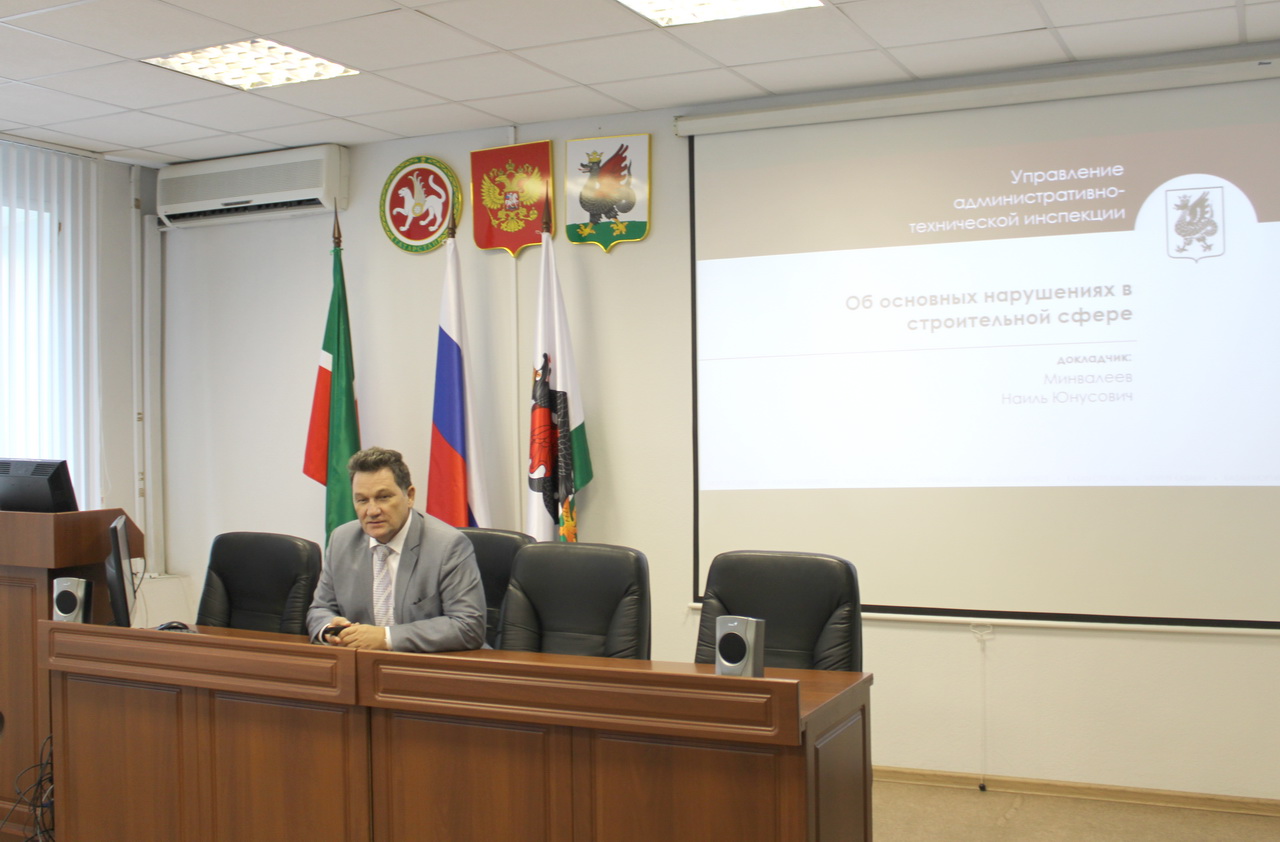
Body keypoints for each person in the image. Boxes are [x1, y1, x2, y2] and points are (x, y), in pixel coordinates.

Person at [306, 446, 486, 652]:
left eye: (383, 497)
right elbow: (320, 609)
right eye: (362, 500)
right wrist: (331, 629)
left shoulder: (448, 545)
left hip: (430, 665)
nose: (372, 511)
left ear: (409, 496)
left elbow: (468, 625)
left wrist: (386, 637)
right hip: (361, 664)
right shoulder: (342, 540)